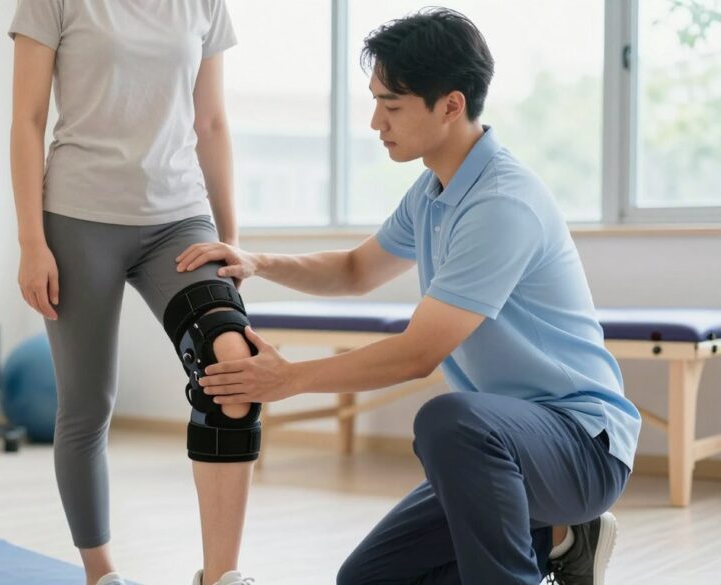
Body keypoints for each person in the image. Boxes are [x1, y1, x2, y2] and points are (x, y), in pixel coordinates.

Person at [176, 8, 641, 585]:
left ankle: (541, 548)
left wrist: (288, 379)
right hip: (505, 445)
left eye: (391, 105)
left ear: (450, 105)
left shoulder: (501, 202)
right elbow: (355, 270)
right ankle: (562, 540)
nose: (376, 122)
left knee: (450, 422)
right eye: (376, 102)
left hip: (580, 446)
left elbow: (418, 353)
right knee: (367, 579)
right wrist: (258, 261)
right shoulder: (433, 191)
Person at [7, 2, 261, 585]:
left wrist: (230, 238)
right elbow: (27, 120)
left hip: (180, 218)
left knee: (232, 360)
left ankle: (221, 574)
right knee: (87, 405)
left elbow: (211, 123)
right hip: (78, 217)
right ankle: (101, 574)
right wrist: (31, 241)